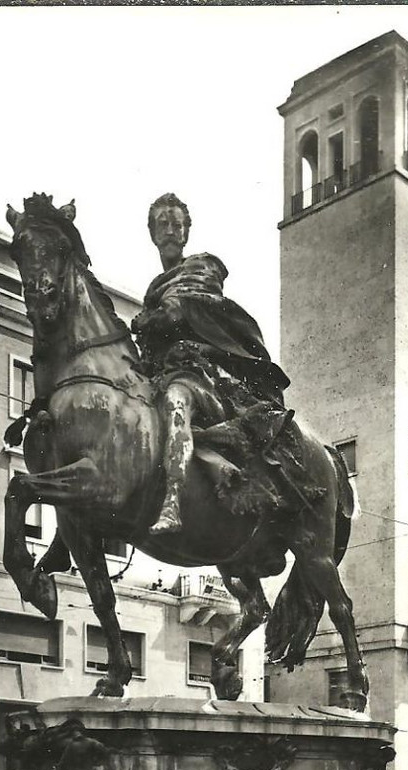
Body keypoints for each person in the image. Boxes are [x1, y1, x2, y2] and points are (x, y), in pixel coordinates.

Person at [132, 193, 291, 534]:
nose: (171, 231)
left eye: (177, 224)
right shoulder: (152, 289)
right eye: (163, 224)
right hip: (159, 374)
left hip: (201, 375)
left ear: (187, 232)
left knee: (176, 400)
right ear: (152, 233)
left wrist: (154, 319)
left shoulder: (201, 268)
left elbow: (178, 310)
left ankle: (172, 501)